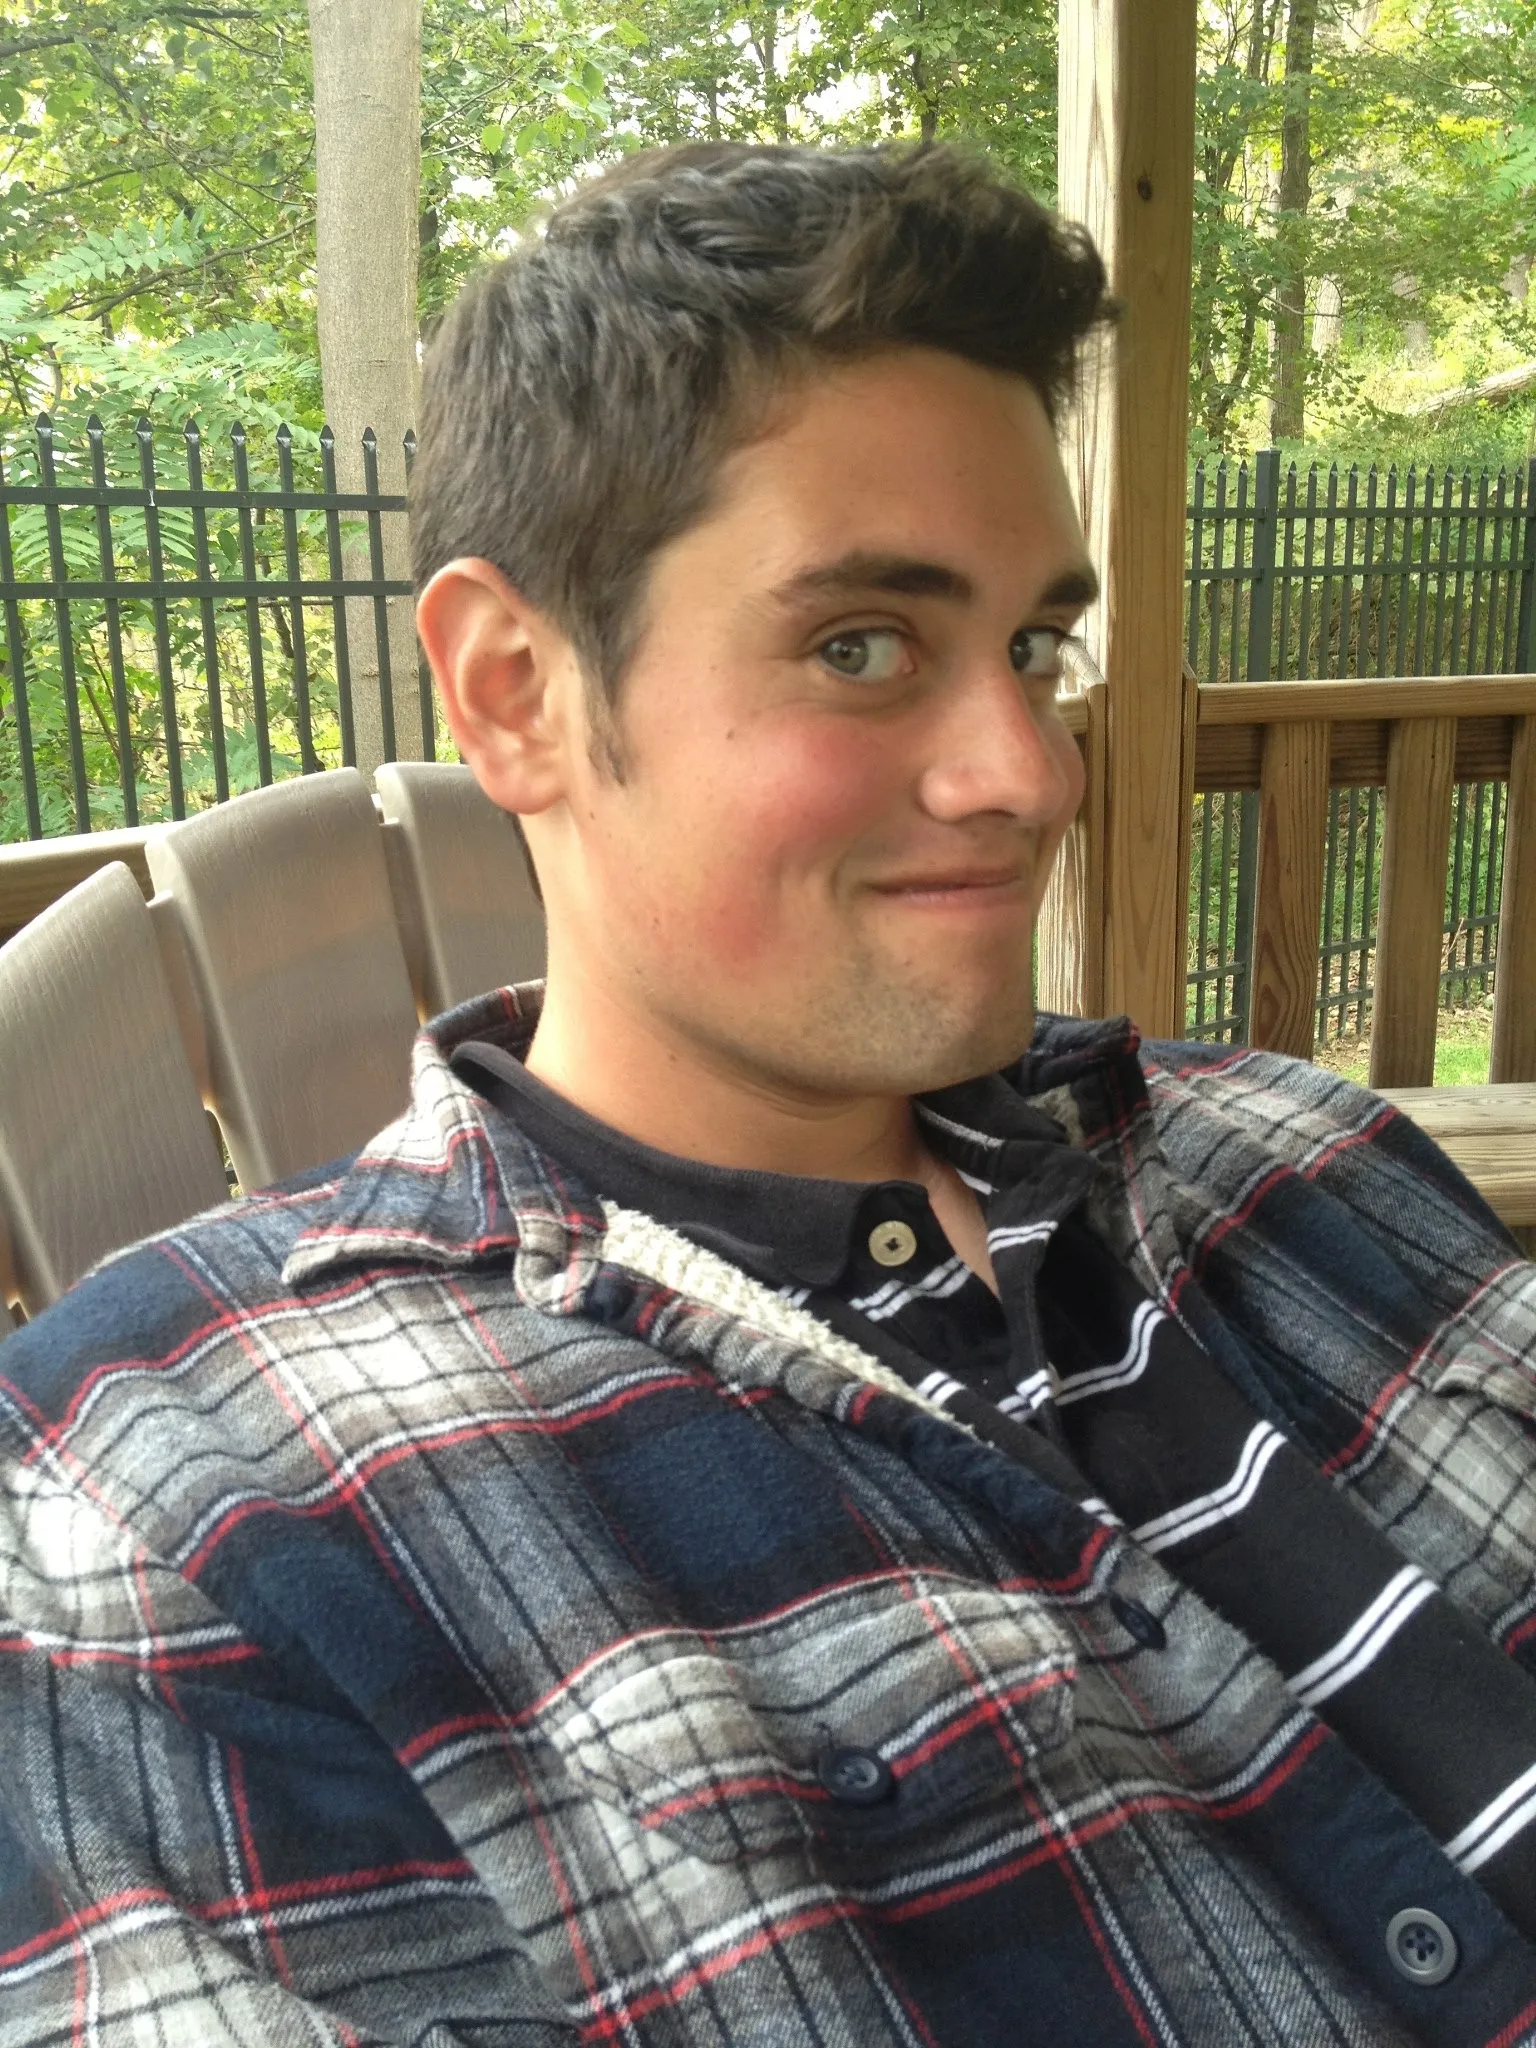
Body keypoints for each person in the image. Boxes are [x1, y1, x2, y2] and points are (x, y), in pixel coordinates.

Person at [3, 142, 1536, 2048]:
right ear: (515, 693)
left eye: (1032, 647)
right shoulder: (183, 1489)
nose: (1029, 773)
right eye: (861, 646)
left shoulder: (1314, 1165)